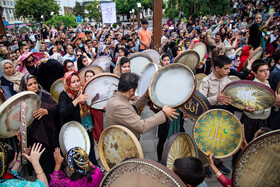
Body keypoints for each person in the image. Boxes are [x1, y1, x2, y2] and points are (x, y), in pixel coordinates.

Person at [105, 72, 179, 139]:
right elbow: (142, 126)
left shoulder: (117, 97)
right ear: (131, 91)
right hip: (125, 147)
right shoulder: (118, 106)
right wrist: (163, 113)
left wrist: (146, 96)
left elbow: (132, 106)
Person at [20, 74, 59, 181]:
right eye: (30, 84)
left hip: (49, 132)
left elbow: (57, 109)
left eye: (35, 83)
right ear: (24, 87)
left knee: (53, 158)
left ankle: (56, 181)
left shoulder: (45, 96)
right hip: (34, 136)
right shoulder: (21, 101)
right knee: (42, 160)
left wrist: (46, 111)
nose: (34, 86)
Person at [199, 55, 232, 177]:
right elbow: (201, 101)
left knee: (221, 138)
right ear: (217, 68)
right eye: (226, 68)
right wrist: (215, 98)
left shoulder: (227, 80)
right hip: (208, 113)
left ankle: (219, 161)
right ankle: (205, 164)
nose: (229, 71)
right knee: (206, 140)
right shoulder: (206, 81)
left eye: (229, 68)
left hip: (222, 114)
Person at [206, 126, 272, 187]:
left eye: (254, 137)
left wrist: (212, 165)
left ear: (258, 143)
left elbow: (228, 184)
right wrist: (243, 140)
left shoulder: (251, 168)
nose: (252, 140)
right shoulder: (271, 161)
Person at [58, 71, 98, 165]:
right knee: (79, 150)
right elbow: (62, 112)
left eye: (77, 81)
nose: (76, 84)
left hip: (86, 125)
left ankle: (94, 168)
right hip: (74, 128)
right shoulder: (64, 95)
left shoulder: (84, 90)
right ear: (68, 83)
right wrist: (76, 100)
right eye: (73, 82)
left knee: (90, 146)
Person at [241, 59, 271, 142]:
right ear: (254, 73)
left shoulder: (267, 83)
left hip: (263, 120)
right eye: (262, 71)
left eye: (267, 70)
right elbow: (249, 108)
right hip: (251, 122)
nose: (266, 73)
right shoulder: (251, 88)